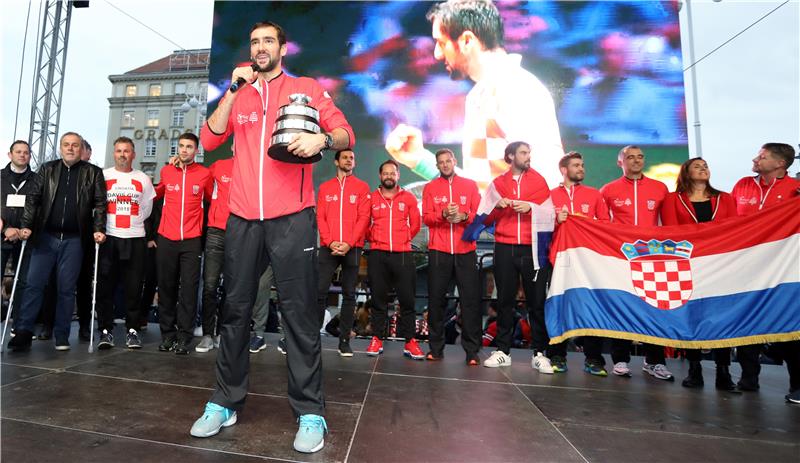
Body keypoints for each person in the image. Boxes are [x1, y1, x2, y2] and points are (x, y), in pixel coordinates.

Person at [193, 21, 356, 454]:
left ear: (283, 48)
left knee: (300, 316)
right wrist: (231, 91)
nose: (260, 48)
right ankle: (224, 402)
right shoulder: (240, 92)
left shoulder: (305, 86)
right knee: (234, 313)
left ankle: (310, 412)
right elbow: (209, 138)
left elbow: (345, 133)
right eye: (254, 42)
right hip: (243, 218)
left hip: (292, 218)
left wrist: (320, 136)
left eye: (268, 41)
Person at [385, 0, 564, 190]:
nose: (437, 54)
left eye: (441, 43)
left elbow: (548, 184)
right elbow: (479, 190)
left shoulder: (518, 90)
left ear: (467, 40)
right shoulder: (478, 96)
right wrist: (420, 159)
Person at [10, 132, 106, 352]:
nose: (70, 149)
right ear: (60, 148)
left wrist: (99, 229)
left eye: (75, 145)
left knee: (65, 288)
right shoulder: (47, 169)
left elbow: (100, 204)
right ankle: (24, 331)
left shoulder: (92, 172)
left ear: (81, 149)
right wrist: (27, 224)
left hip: (74, 240)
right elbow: (33, 199)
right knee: (34, 284)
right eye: (66, 145)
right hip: (46, 237)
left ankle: (62, 335)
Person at [660, 157, 738, 390]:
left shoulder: (725, 198)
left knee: (721, 318)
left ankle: (723, 372)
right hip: (689, 265)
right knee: (692, 317)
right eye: (697, 166)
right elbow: (672, 232)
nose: (703, 168)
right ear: (686, 172)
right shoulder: (673, 199)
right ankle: (694, 370)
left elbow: (733, 229)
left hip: (719, 264)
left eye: (705, 165)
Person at [730, 143, 799, 403]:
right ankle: (748, 379)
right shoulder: (743, 185)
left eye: (763, 156)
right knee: (748, 321)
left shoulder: (795, 190)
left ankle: (797, 385)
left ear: (781, 163)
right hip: (745, 265)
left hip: (782, 270)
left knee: (788, 327)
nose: (756, 159)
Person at [482, 141, 560, 371]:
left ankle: (539, 353)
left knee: (536, 301)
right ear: (510, 156)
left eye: (529, 152)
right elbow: (484, 219)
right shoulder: (497, 183)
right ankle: (503, 351)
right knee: (505, 300)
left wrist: (530, 208)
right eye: (524, 153)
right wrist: (497, 206)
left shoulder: (539, 181)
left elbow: (551, 214)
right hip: (504, 246)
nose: (528, 157)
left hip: (532, 247)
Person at [600, 145, 673, 381]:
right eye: (630, 157)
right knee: (620, 307)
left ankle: (655, 361)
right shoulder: (608, 190)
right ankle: (620, 359)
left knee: (654, 309)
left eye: (640, 157)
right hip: (621, 258)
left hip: (652, 259)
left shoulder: (660, 188)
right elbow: (601, 224)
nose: (636, 161)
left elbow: (669, 224)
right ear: (620, 162)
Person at [551, 151, 610, 376]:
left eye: (582, 165)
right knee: (560, 306)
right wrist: (557, 220)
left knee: (591, 307)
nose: (581, 168)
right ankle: (557, 355)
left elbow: (606, 226)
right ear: (564, 170)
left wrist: (588, 223)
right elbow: (541, 227)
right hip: (560, 260)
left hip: (588, 261)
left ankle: (594, 358)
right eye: (576, 165)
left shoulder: (594, 195)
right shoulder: (549, 196)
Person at [421, 148, 482, 365]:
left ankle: (472, 351)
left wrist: (464, 216)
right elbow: (426, 218)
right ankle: (436, 349)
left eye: (448, 161)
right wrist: (443, 215)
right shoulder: (430, 187)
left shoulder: (470, 185)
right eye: (441, 162)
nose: (445, 165)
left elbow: (480, 217)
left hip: (465, 249)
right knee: (436, 301)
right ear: (437, 165)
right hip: (439, 251)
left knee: (470, 302)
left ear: (455, 161)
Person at [154, 132, 212, 355]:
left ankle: (184, 337)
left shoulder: (205, 174)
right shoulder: (167, 171)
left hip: (192, 241)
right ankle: (167, 335)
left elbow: (210, 201)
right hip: (166, 239)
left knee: (188, 290)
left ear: (196, 150)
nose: (184, 150)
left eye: (189, 146)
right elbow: (156, 195)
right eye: (181, 146)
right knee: (166, 288)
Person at [95, 136, 155, 350]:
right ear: (114, 153)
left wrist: (133, 224)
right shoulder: (103, 176)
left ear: (133, 154)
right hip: (109, 238)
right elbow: (98, 205)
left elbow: (147, 208)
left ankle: (132, 331)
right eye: (119, 150)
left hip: (135, 238)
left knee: (133, 288)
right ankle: (105, 331)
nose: (122, 154)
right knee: (105, 287)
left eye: (126, 151)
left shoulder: (143, 179)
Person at [365, 160, 422, 359]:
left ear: (398, 176)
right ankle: (377, 339)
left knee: (407, 300)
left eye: (393, 173)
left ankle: (410, 342)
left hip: (403, 255)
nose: (389, 176)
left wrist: (403, 239)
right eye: (385, 173)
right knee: (378, 300)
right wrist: (374, 238)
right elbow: (364, 224)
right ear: (380, 176)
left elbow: (416, 223)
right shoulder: (371, 198)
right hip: (378, 254)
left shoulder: (408, 198)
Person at [316, 149, 371, 357]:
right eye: (345, 157)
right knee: (319, 292)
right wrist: (330, 241)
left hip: (352, 247)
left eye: (352, 158)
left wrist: (348, 243)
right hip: (328, 247)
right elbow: (320, 217)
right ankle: (313, 339)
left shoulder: (362, 187)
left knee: (349, 295)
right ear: (336, 161)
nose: (349, 160)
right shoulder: (325, 188)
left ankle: (344, 341)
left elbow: (364, 218)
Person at [197, 155, 234, 353]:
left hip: (239, 232)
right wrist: (218, 203)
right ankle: (207, 334)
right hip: (216, 231)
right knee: (209, 285)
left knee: (231, 287)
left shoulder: (252, 168)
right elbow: (205, 185)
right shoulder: (220, 164)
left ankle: (221, 333)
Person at [1, 141, 38, 323]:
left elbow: (40, 208)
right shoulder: (0, 177)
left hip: (25, 238)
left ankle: (19, 322)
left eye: (26, 152)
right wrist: (6, 228)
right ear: (10, 155)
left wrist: (26, 228)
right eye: (18, 152)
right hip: (2, 236)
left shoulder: (37, 180)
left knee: (23, 282)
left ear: (29, 156)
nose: (22, 155)